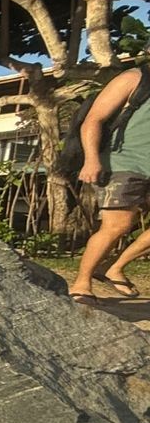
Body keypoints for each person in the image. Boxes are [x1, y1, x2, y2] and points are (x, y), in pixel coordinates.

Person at [70, 66, 150, 304]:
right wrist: (91, 159)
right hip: (123, 162)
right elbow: (93, 120)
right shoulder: (134, 78)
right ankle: (82, 283)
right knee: (118, 224)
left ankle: (115, 268)